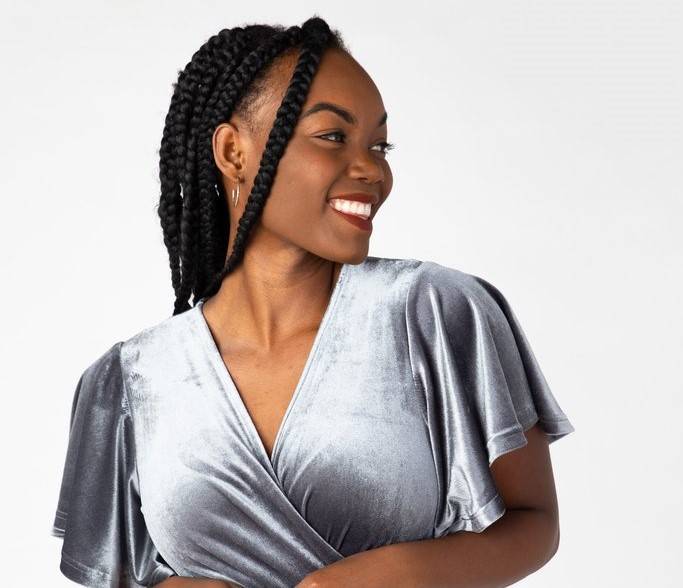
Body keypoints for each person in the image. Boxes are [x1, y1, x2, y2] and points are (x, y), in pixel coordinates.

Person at [50, 16, 575, 588]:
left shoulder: (436, 313)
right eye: (333, 137)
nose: (372, 169)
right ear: (233, 152)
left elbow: (534, 522)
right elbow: (117, 576)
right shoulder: (128, 381)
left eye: (380, 144)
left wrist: (383, 576)